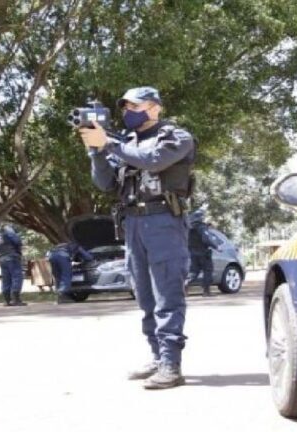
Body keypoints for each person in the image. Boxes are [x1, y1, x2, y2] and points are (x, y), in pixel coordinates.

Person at [80, 86, 195, 390]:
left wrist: (109, 143)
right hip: (133, 223)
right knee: (144, 295)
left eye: (135, 106)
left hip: (164, 221)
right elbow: (105, 183)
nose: (128, 112)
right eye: (125, 108)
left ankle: (172, 364)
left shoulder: (176, 137)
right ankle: (157, 356)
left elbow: (154, 160)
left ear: (155, 107)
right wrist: (97, 151)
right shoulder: (125, 142)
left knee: (167, 293)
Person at [187, 209, 221, 297]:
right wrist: (216, 247)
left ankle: (185, 286)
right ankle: (206, 291)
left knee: (194, 272)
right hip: (203, 253)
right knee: (208, 271)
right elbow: (206, 239)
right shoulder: (202, 227)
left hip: (192, 253)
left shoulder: (189, 227)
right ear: (201, 217)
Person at [0, 224, 26, 306]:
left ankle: (7, 300)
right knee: (16, 277)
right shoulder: (8, 232)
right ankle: (16, 299)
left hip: (2, 258)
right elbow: (17, 241)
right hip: (12, 257)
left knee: (6, 278)